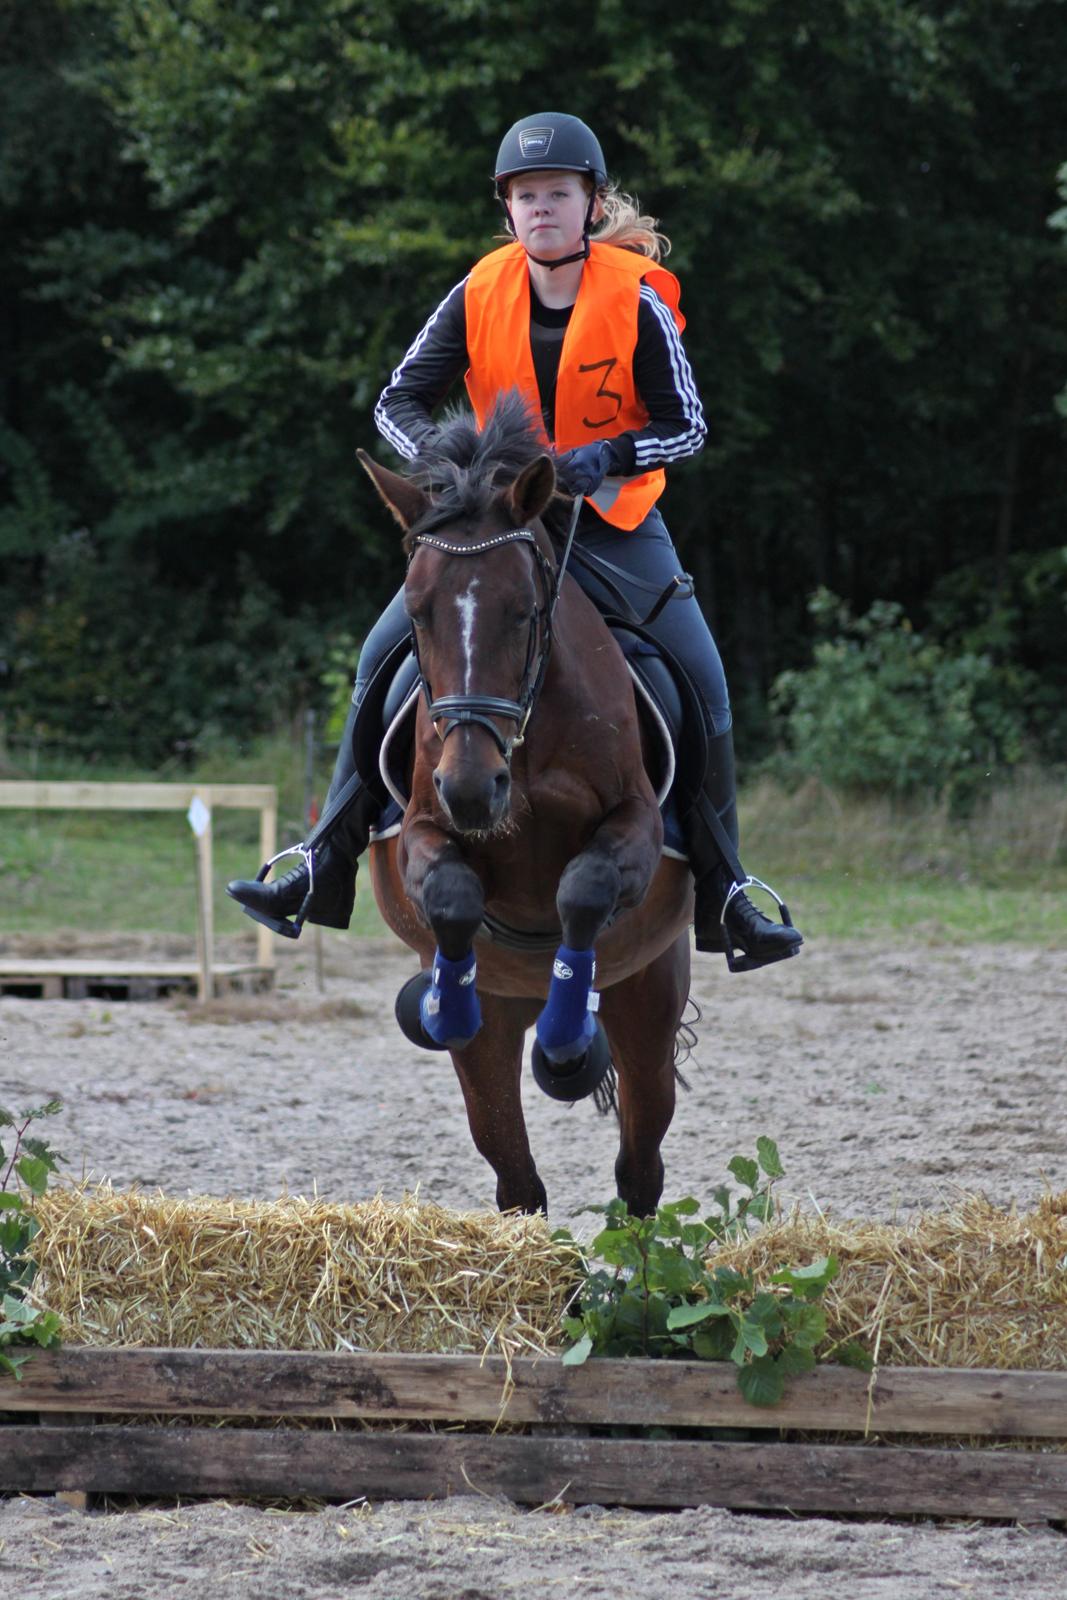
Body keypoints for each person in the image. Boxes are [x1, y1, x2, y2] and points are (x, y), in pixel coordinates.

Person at [228, 111, 803, 972]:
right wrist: (453, 473)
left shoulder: (636, 297)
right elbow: (397, 401)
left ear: (590, 204)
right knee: (380, 659)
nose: (541, 209)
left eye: (558, 195)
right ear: (507, 211)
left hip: (608, 521)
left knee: (702, 678)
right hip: (492, 525)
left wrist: (606, 455)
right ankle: (321, 861)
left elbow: (687, 428)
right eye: (525, 196)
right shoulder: (476, 291)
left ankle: (725, 890)